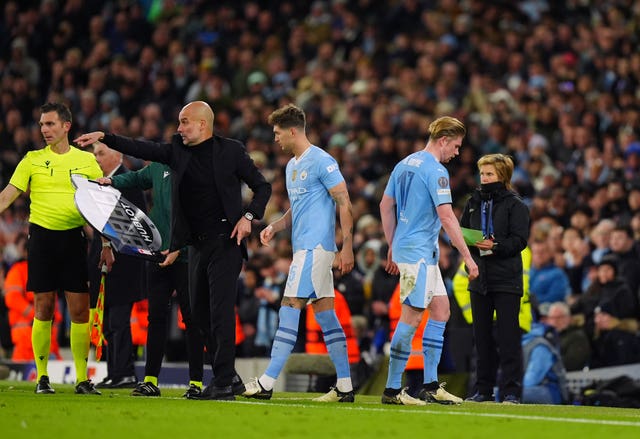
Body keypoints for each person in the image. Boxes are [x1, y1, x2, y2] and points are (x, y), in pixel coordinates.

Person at [74, 100, 271, 400]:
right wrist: (106, 137)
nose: (179, 128)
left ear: (203, 124)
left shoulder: (231, 151)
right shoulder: (177, 151)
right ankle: (229, 377)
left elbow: (262, 186)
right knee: (201, 317)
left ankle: (221, 381)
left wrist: (248, 217)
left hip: (225, 242)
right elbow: (144, 149)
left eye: (184, 122)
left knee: (218, 313)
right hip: (194, 245)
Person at [242, 103, 356, 403]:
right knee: (326, 316)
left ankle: (266, 382)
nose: (275, 139)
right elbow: (299, 208)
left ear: (293, 131)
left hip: (316, 248)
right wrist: (276, 227)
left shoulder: (322, 160)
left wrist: (347, 246)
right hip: (303, 247)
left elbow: (343, 201)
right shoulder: (292, 166)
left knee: (289, 307)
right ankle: (345, 385)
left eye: (278, 133)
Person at [0, 102, 104, 395]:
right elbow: (8, 194)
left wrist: (107, 241)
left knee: (80, 311)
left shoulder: (86, 161)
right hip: (42, 239)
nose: (44, 130)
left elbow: (101, 203)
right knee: (43, 307)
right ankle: (42, 377)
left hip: (73, 239)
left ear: (66, 126)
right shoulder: (32, 159)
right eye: (42, 125)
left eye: (50, 124)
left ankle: (83, 379)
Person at [379, 116, 479, 406]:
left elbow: (386, 205)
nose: (457, 153)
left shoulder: (405, 163)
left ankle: (431, 385)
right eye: (456, 146)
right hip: (418, 255)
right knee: (411, 316)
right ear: (444, 140)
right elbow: (447, 216)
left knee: (441, 310)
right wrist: (468, 257)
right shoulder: (436, 171)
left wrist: (392, 242)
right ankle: (392, 389)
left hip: (417, 251)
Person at [96, 159, 205, 398]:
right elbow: (135, 178)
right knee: (155, 318)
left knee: (192, 320)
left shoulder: (195, 166)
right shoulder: (158, 167)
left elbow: (199, 211)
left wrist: (180, 246)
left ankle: (196, 382)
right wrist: (111, 180)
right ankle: (150, 380)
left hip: (186, 257)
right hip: (157, 255)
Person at [460, 153, 530, 404]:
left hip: (506, 279)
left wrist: (495, 244)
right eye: (482, 173)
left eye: (489, 173)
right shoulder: (473, 203)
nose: (484, 178)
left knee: (508, 338)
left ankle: (511, 392)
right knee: (482, 339)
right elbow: (459, 234)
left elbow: (520, 241)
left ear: (503, 176)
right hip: (479, 277)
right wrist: (465, 241)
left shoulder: (516, 205)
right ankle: (484, 390)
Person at [90, 143, 146, 389]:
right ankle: (115, 372)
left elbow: (135, 224)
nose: (96, 157)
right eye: (94, 153)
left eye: (100, 152)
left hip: (123, 264)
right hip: (108, 262)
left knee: (118, 321)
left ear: (117, 155)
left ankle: (124, 372)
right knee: (110, 321)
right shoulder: (103, 181)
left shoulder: (126, 181)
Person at [3, 233, 63, 361]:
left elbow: (54, 304)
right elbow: (12, 298)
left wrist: (52, 318)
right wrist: (36, 314)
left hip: (49, 342)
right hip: (25, 342)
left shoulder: (47, 271)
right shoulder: (17, 270)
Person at [521, 322, 570, 405]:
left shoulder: (540, 345)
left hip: (550, 390)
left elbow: (533, 378)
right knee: (506, 392)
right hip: (535, 388)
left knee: (510, 394)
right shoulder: (523, 342)